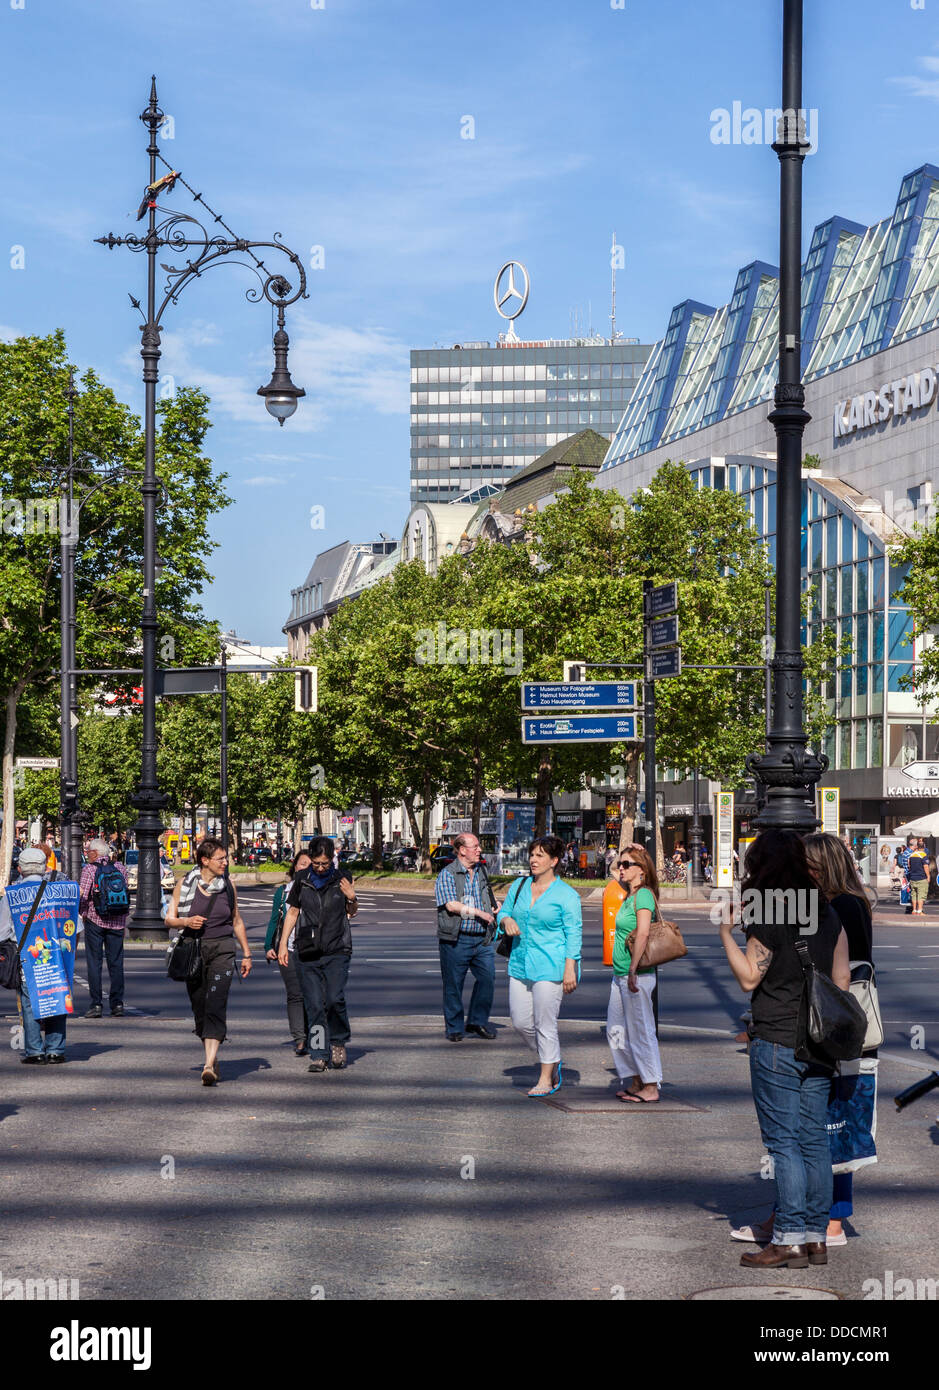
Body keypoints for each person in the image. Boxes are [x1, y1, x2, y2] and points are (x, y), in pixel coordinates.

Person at [719, 829, 850, 1269]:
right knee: (814, 1140)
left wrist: (724, 933)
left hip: (776, 1036)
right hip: (819, 1041)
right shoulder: (827, 910)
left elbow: (748, 978)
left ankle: (789, 1236)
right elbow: (842, 980)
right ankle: (815, 1237)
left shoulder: (767, 910)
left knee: (783, 1143)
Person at [496, 835, 581, 1096]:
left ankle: (546, 1077)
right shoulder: (519, 886)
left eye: (540, 855)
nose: (533, 859)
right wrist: (506, 920)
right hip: (520, 962)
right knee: (520, 1022)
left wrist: (570, 968)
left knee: (545, 1023)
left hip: (552, 965)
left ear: (554, 861)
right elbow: (503, 912)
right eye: (532, 854)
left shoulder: (567, 895)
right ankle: (552, 1056)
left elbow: (573, 934)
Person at [166, 838, 252, 1086]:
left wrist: (246, 953)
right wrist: (186, 921)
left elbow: (236, 921)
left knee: (216, 1002)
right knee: (200, 1008)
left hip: (223, 949)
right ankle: (212, 1058)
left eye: (226, 858)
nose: (226, 862)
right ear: (205, 861)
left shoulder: (228, 887)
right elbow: (169, 919)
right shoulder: (184, 885)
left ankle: (207, 1064)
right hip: (194, 950)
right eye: (221, 859)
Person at [279, 836, 357, 1072]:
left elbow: (351, 913)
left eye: (325, 863)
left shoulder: (342, 878)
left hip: (337, 949)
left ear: (332, 858)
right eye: (316, 863)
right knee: (313, 1003)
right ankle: (319, 1053)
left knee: (334, 998)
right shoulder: (302, 879)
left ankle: (338, 1042)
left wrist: (352, 896)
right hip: (308, 949)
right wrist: (284, 944)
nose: (321, 868)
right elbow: (293, 912)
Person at [0, 847, 81, 1063]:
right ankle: (56, 1050)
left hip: (27, 957)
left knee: (28, 1003)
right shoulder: (60, 892)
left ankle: (35, 1051)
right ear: (45, 867)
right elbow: (75, 927)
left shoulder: (12, 896)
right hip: (57, 958)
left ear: (20, 869)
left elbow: (1, 932)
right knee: (56, 998)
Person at [606, 843, 663, 1104]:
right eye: (620, 863)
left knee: (641, 1030)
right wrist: (630, 849)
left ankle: (651, 1085)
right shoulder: (628, 893)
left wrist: (632, 969)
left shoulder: (644, 895)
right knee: (616, 1029)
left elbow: (642, 933)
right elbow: (611, 869)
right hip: (620, 974)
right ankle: (635, 1077)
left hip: (636, 974)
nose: (621, 868)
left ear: (641, 871)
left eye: (627, 864)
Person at [435, 833, 498, 1041]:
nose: (479, 850)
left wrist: (495, 906)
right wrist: (480, 913)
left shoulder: (481, 871)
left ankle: (477, 1022)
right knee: (453, 984)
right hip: (456, 938)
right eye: (475, 846)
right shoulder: (447, 874)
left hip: (482, 938)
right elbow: (451, 905)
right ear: (462, 850)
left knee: (487, 979)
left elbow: (487, 896)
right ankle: (454, 1027)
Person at [265, 850, 312, 1056]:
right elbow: (275, 920)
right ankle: (300, 1039)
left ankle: (314, 1038)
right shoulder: (283, 892)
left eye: (311, 864)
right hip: (289, 949)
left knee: (314, 996)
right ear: (295, 866)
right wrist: (270, 946)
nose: (307, 868)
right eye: (303, 864)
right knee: (295, 995)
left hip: (315, 950)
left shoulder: (321, 889)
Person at [79, 838, 130, 1018]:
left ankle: (96, 1004)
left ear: (95, 853)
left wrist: (82, 914)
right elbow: (125, 893)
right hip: (117, 921)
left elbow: (83, 895)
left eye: (88, 851)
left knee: (95, 963)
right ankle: (117, 1004)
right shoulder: (121, 868)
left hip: (95, 919)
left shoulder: (89, 869)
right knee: (116, 963)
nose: (87, 854)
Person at [907, 837, 929, 915]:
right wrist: (928, 876)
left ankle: (914, 910)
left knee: (914, 894)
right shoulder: (923, 855)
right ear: (924, 847)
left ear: (917, 847)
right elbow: (926, 867)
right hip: (921, 878)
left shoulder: (912, 855)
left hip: (913, 878)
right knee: (921, 894)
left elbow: (909, 865)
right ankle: (920, 911)